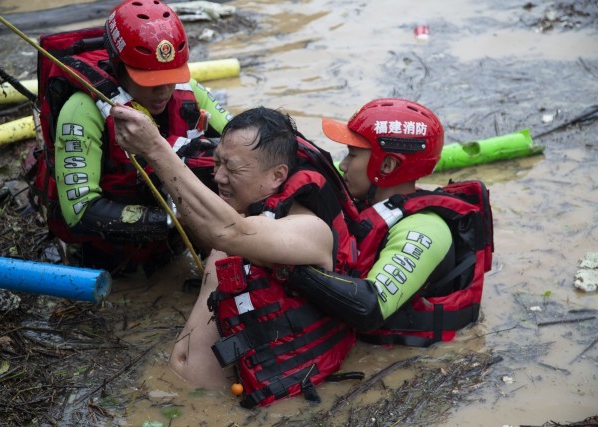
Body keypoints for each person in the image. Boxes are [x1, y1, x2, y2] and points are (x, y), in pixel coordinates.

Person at [110, 105, 357, 407]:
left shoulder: (308, 229)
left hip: (227, 410)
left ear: (278, 174)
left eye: (232, 167)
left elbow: (229, 233)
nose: (217, 176)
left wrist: (154, 147)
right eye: (216, 163)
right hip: (181, 394)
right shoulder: (235, 213)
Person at [28, 0, 232, 276]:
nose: (163, 91)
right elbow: (79, 213)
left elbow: (241, 141)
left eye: (170, 77)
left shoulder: (187, 91)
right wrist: (172, 222)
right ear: (119, 66)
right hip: (107, 266)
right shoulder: (81, 110)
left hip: (175, 250)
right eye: (149, 80)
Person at [287, 98, 494, 347]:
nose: (343, 165)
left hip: (418, 360)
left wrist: (289, 269)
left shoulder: (424, 229)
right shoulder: (367, 206)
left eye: (352, 155)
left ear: (387, 165)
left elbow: (368, 308)